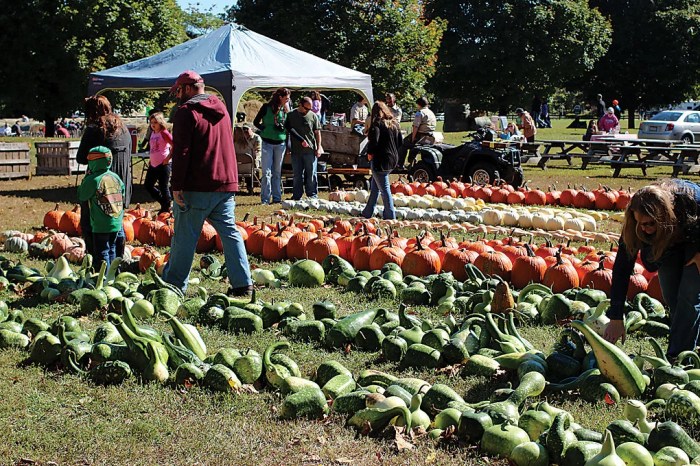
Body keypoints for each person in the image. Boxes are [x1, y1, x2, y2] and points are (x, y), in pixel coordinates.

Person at [163, 70, 252, 296]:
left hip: (197, 185)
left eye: (179, 91)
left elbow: (181, 152)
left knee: (184, 236)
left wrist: (176, 186)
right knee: (230, 233)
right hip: (226, 183)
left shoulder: (186, 112)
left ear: (189, 88)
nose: (177, 96)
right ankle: (243, 284)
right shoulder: (222, 108)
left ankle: (173, 287)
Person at [604, 179, 700, 360]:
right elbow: (622, 269)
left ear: (663, 217)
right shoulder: (635, 227)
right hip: (669, 239)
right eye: (639, 222)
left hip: (694, 234)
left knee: (689, 294)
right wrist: (616, 317)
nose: (644, 228)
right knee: (671, 294)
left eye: (649, 223)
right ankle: (692, 343)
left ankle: (677, 359)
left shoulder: (689, 201)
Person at [77, 95, 132, 259]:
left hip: (100, 185)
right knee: (116, 222)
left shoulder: (95, 129)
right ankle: (117, 261)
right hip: (120, 182)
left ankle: (97, 262)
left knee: (92, 224)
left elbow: (81, 157)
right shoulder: (123, 127)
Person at [77, 146, 125, 270]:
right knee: (113, 248)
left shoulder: (93, 180)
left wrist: (86, 179)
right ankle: (113, 275)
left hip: (100, 224)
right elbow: (123, 193)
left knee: (102, 251)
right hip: (116, 222)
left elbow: (82, 195)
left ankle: (105, 277)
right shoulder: (115, 177)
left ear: (93, 162)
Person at [362, 101, 402, 220]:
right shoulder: (394, 123)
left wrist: (369, 153)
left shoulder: (377, 124)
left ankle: (390, 216)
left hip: (381, 160)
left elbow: (373, 141)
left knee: (384, 190)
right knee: (375, 187)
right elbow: (400, 142)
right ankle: (367, 212)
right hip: (393, 159)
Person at [253, 88, 290, 205]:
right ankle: (265, 199)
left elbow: (289, 126)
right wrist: (265, 129)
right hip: (267, 143)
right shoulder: (266, 107)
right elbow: (255, 122)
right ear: (280, 97)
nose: (288, 100)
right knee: (266, 172)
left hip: (280, 144)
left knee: (277, 172)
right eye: (286, 98)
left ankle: (277, 197)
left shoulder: (286, 109)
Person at [285, 96, 322, 200]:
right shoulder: (291, 115)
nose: (308, 111)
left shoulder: (313, 116)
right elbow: (288, 131)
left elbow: (317, 133)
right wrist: (287, 147)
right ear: (300, 105)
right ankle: (297, 195)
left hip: (310, 150)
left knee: (311, 174)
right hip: (296, 151)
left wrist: (318, 148)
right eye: (306, 108)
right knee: (297, 175)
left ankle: (312, 195)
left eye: (310, 109)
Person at [144, 111, 173, 213]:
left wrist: (168, 158)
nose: (153, 125)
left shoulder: (164, 133)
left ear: (160, 122)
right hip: (153, 163)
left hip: (163, 164)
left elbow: (174, 145)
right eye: (151, 122)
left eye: (155, 122)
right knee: (148, 185)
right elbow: (152, 147)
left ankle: (167, 206)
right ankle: (163, 202)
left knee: (163, 186)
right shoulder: (152, 133)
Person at [397, 96, 437, 168]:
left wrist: (413, 138)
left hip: (421, 135)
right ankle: (411, 162)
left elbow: (415, 127)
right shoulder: (431, 112)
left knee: (403, 144)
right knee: (412, 147)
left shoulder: (420, 113)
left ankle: (400, 165)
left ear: (419, 104)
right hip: (430, 136)